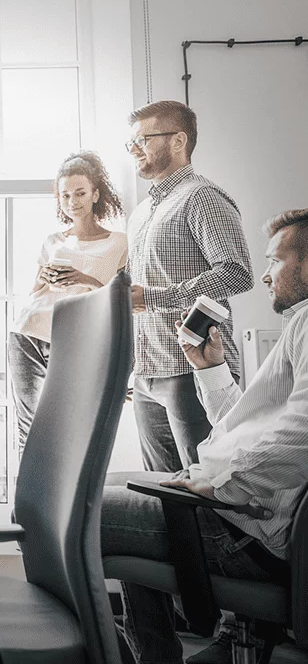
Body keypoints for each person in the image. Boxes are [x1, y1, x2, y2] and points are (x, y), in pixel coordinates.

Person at [102, 208, 308, 664]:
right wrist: (210, 367)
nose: (266, 276)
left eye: (276, 261)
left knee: (81, 514)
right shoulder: (300, 324)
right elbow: (244, 426)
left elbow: (305, 434)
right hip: (230, 509)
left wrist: (217, 482)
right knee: (108, 487)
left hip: (241, 527)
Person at [125, 100, 254, 473]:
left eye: (142, 140)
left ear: (178, 140)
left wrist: (154, 298)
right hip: (147, 375)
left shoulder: (203, 197)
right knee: (162, 491)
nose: (134, 149)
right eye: (130, 143)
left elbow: (236, 273)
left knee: (207, 487)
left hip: (193, 370)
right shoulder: (140, 214)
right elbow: (135, 295)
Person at [8, 151, 127, 451]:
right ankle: (31, 500)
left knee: (75, 429)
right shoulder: (53, 240)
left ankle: (68, 498)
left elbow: (122, 300)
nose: (72, 201)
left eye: (80, 193)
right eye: (65, 195)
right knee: (30, 429)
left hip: (78, 338)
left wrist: (83, 278)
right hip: (29, 333)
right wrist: (48, 277)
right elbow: (35, 292)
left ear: (96, 194)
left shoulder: (119, 243)